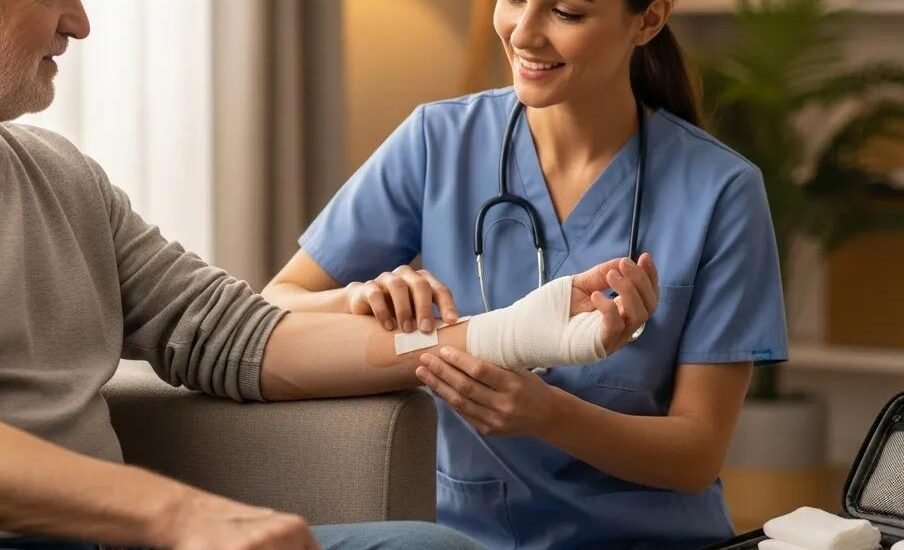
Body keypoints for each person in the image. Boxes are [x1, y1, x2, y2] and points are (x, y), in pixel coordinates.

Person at [0, 1, 657, 548]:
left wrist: (513, 333)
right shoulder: (441, 137)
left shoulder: (60, 178)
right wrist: (180, 513)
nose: (79, 22)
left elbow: (237, 335)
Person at [263, 0, 790, 548]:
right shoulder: (437, 141)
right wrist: (357, 297)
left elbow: (696, 455)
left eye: (565, 12)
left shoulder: (721, 191)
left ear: (649, 20)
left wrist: (547, 415)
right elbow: (276, 306)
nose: (524, 33)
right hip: (458, 536)